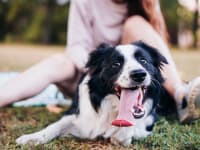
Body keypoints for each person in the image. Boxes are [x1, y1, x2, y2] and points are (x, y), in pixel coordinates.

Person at [0, 0, 199, 123]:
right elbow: (76, 46)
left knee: (135, 23)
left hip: (135, 80)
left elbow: (153, 52)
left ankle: (181, 96)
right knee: (59, 61)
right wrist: (96, 67)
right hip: (93, 78)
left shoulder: (147, 2)